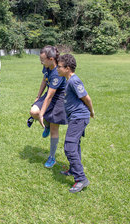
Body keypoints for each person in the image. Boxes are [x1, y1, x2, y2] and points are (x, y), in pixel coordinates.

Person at [57, 54, 94, 193]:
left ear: (67, 68)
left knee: (69, 146)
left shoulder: (74, 81)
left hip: (79, 117)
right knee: (75, 144)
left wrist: (92, 111)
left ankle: (81, 179)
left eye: (59, 67)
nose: (57, 69)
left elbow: (87, 98)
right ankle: (73, 170)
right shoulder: (68, 80)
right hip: (75, 117)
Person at [27, 45, 67, 168]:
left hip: (59, 98)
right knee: (33, 111)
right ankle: (47, 126)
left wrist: (42, 114)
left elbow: (50, 96)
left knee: (55, 128)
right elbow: (44, 80)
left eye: (43, 59)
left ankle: (52, 157)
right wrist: (38, 97)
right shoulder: (47, 67)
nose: (41, 61)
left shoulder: (57, 73)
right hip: (48, 93)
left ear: (51, 59)